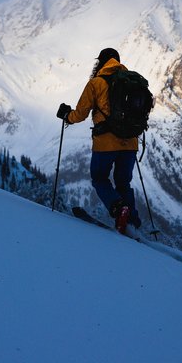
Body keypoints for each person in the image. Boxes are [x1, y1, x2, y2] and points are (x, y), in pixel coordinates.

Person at [56, 47, 142, 235]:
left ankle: (118, 209)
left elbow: (80, 114)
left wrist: (66, 116)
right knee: (123, 183)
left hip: (106, 142)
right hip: (130, 142)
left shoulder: (97, 83)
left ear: (101, 62)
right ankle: (132, 222)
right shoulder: (133, 83)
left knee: (100, 178)